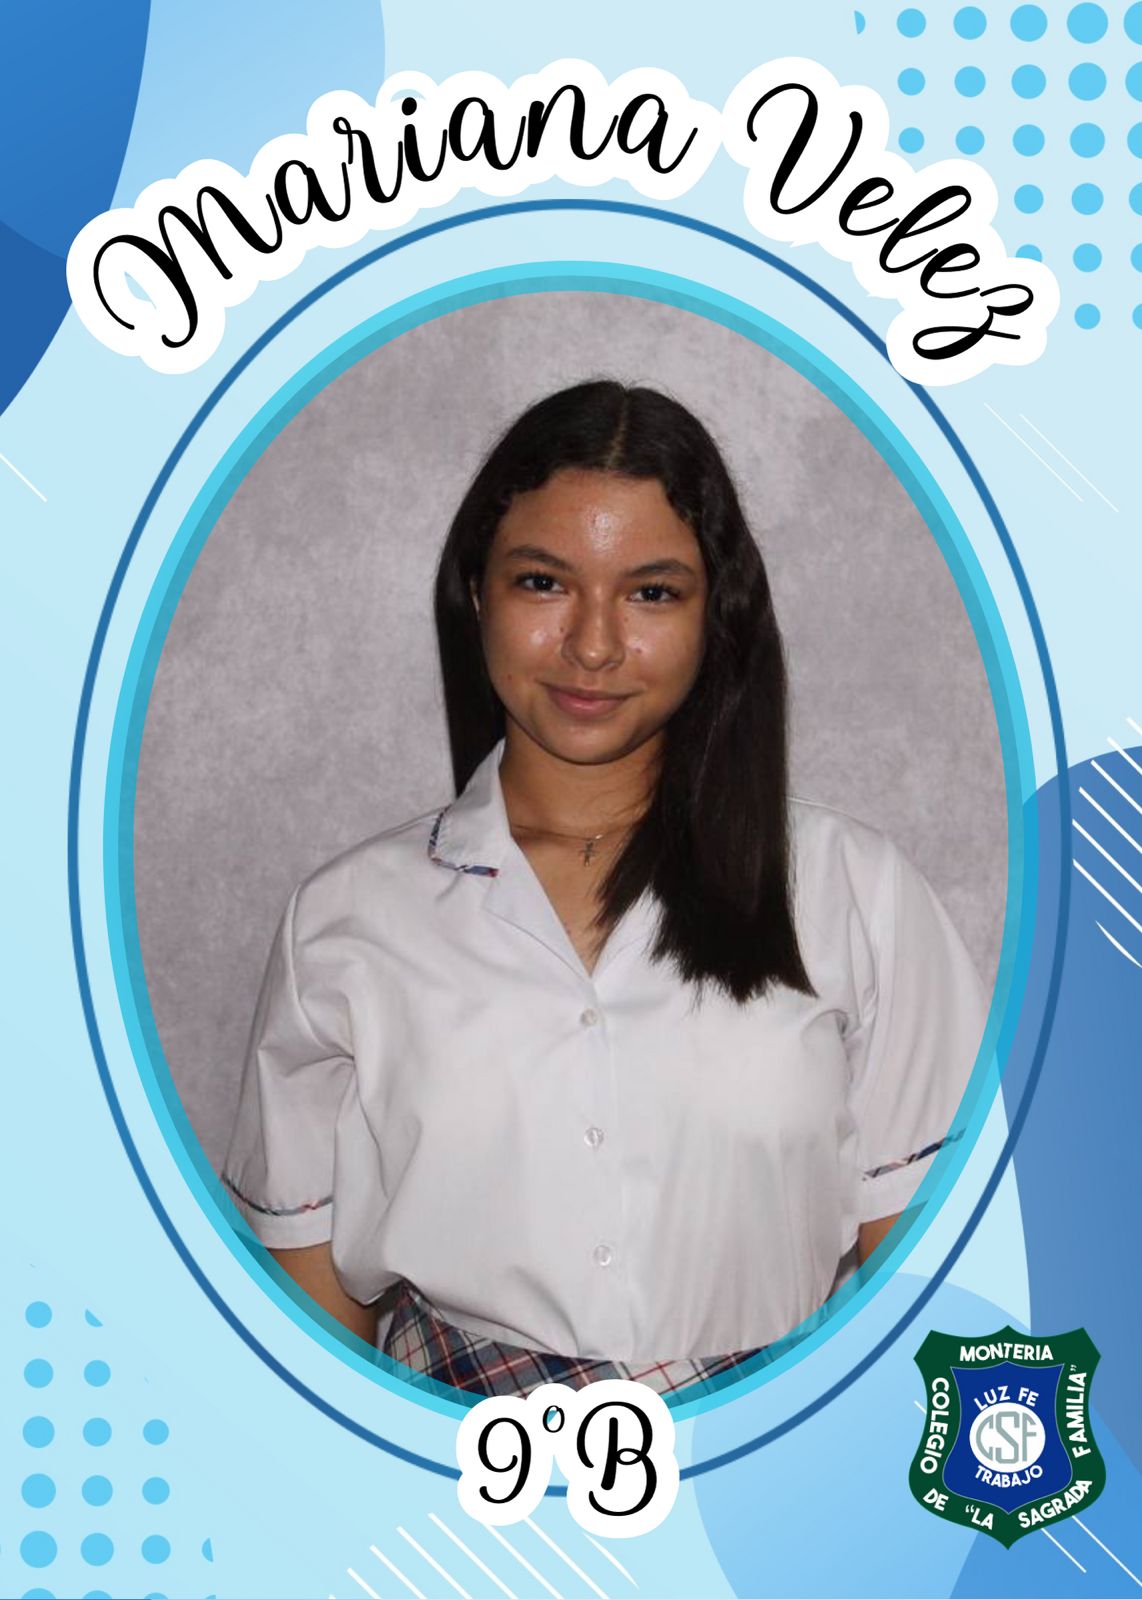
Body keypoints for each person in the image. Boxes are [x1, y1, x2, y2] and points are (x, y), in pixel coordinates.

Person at [223, 380, 986, 1399]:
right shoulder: (342, 924)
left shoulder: (856, 895)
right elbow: (303, 1350)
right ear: (476, 593)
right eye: (543, 582)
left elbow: (941, 1292)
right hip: (448, 1474)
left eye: (651, 593)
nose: (592, 644)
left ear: (717, 616)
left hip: (775, 1467)